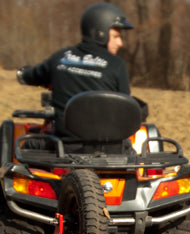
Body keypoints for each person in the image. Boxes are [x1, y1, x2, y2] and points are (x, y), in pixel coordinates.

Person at [16, 2, 134, 139]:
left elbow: (31, 75)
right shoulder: (117, 65)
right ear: (100, 33)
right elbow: (127, 111)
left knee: (27, 144)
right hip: (108, 150)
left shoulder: (60, 58)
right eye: (116, 36)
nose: (120, 43)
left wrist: (22, 73)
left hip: (63, 148)